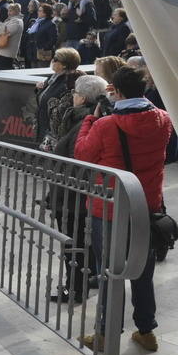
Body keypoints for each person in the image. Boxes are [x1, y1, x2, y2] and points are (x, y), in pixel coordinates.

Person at [75, 66, 172, 353]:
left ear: (114, 91)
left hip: (109, 206)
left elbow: (82, 153)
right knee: (143, 269)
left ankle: (105, 332)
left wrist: (91, 119)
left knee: (108, 270)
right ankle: (146, 330)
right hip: (147, 205)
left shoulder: (106, 124)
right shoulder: (163, 119)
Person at [46, 75, 108, 304]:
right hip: (77, 194)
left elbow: (76, 158)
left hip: (72, 195)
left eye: (74, 93)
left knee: (74, 244)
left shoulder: (84, 121)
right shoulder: (90, 117)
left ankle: (74, 289)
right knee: (81, 243)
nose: (72, 97)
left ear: (81, 97)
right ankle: (79, 283)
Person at [35, 47, 83, 150]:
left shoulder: (69, 83)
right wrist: (39, 89)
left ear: (64, 64)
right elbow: (44, 99)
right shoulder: (54, 77)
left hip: (55, 136)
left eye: (55, 59)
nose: (52, 60)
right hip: (43, 128)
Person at [0, 3, 23, 71]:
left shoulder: (17, 21)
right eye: (8, 11)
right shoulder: (11, 20)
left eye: (11, 11)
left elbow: (6, 32)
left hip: (6, 53)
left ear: (17, 11)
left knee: (3, 72)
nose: (8, 13)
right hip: (2, 52)